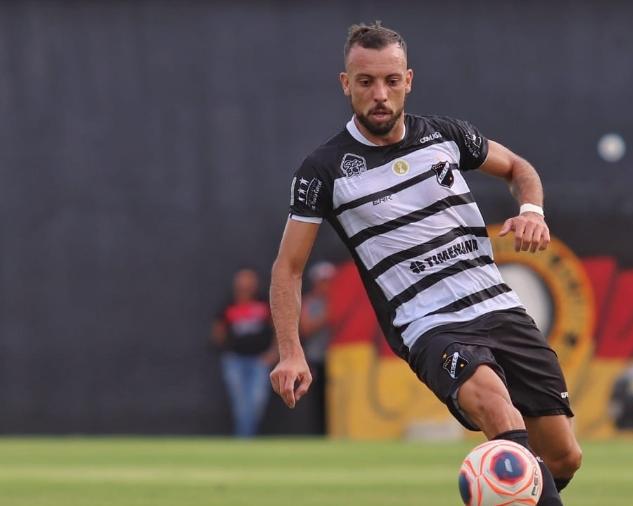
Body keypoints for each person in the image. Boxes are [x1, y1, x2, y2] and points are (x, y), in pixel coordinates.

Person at [268, 22, 581, 504]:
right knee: (502, 416)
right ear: (345, 83)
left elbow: (520, 169)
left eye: (391, 81)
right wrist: (291, 350)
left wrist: (532, 211)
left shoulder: (445, 135)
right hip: (429, 325)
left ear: (408, 80)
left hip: (499, 309)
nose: (380, 94)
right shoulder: (323, 171)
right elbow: (287, 268)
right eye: (366, 81)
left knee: (562, 458)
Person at [211, 268, 277, 437]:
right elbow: (218, 332)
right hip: (235, 360)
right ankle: (245, 439)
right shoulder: (228, 305)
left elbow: (278, 329)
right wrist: (226, 347)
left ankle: (245, 437)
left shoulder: (264, 304)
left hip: (259, 360)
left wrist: (274, 352)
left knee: (256, 401)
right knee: (240, 403)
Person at [298, 261, 337, 434]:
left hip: (340, 357)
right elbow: (306, 327)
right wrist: (328, 315)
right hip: (318, 357)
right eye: (323, 281)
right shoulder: (309, 302)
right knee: (320, 399)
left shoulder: (338, 300)